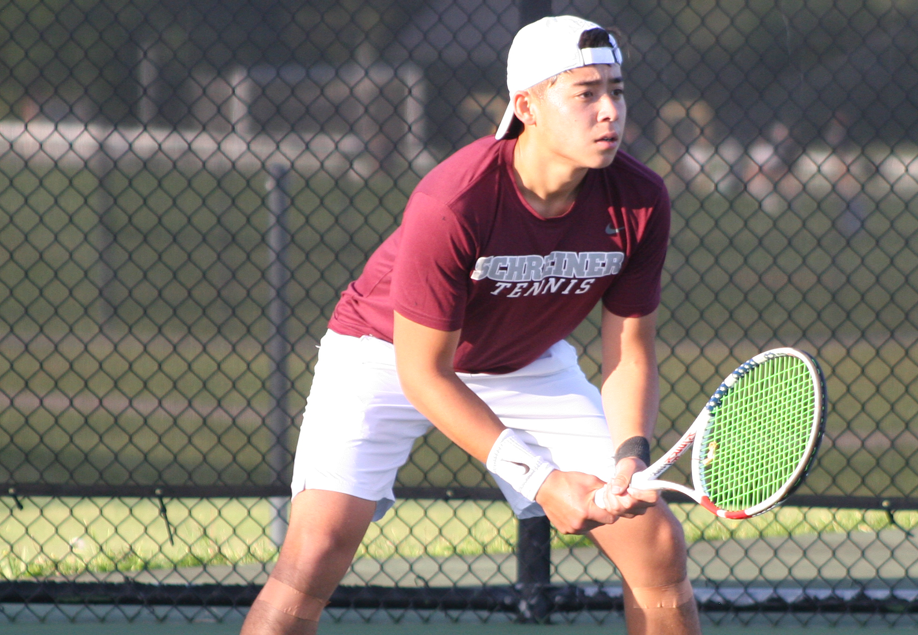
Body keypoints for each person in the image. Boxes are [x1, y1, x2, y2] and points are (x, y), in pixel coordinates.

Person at [240, 15, 700, 635]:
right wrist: (541, 482)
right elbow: (422, 374)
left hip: (525, 361)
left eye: (616, 90)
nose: (610, 111)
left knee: (656, 544)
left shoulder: (640, 199)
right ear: (527, 106)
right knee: (313, 555)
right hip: (385, 354)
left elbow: (630, 352)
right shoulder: (454, 201)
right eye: (585, 94)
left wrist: (628, 455)